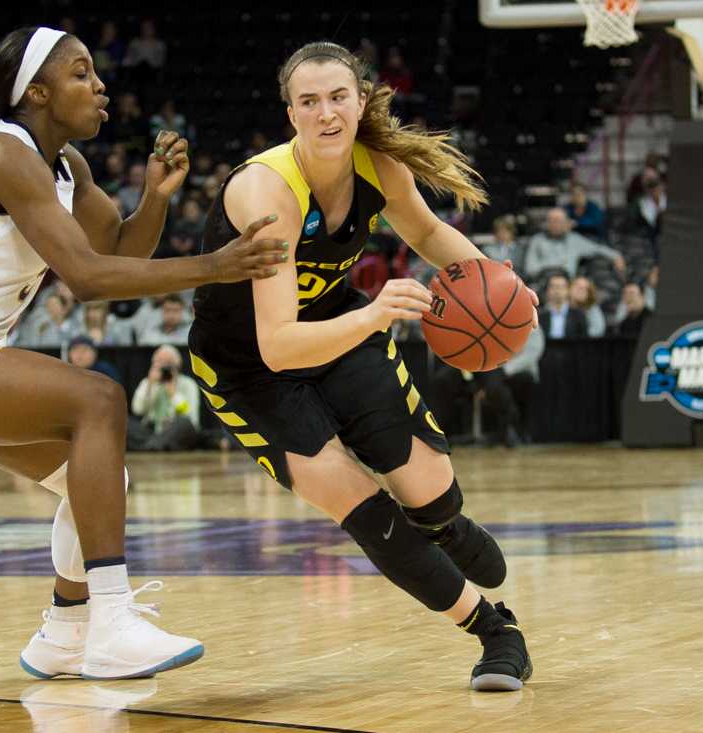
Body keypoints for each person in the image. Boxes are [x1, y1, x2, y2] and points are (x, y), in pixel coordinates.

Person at [0, 27, 285, 682]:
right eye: (81, 73)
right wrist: (216, 265)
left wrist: (156, 202)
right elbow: (86, 279)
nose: (100, 85)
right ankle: (112, 623)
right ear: (37, 91)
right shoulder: (2, 152)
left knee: (100, 477)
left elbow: (116, 257)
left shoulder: (67, 169)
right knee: (99, 397)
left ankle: (65, 628)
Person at [188, 41, 537, 692]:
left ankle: (445, 525)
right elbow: (278, 346)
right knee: (356, 498)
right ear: (289, 112)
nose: (325, 113)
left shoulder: (379, 164)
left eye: (338, 97)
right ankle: (495, 629)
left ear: (361, 100)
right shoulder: (267, 195)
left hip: (338, 323)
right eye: (309, 101)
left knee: (429, 486)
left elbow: (430, 235)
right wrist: (377, 316)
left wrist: (502, 284)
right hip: (249, 363)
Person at [523, 208, 625, 284]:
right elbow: (530, 268)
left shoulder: (574, 240)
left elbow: (597, 248)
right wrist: (555, 267)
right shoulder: (537, 240)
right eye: (551, 220)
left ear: (566, 223)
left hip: (568, 285)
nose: (555, 224)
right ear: (547, 223)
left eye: (558, 221)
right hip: (543, 283)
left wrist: (615, 256)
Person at [128, 344, 200, 451]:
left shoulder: (188, 384)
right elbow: (138, 410)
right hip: (151, 431)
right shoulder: (148, 383)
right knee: (126, 423)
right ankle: (154, 447)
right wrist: (150, 386)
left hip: (175, 431)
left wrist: (173, 392)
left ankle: (148, 447)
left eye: (168, 364)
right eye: (159, 363)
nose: (163, 368)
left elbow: (189, 416)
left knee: (184, 424)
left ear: (177, 366)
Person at [539, 272, 588, 340]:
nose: (557, 291)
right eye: (553, 287)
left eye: (561, 287)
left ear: (568, 290)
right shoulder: (540, 315)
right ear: (548, 290)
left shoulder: (579, 315)